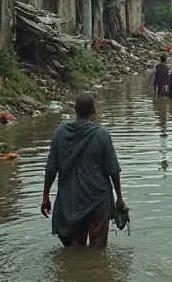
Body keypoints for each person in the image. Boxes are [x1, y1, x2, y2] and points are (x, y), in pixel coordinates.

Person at [41, 93, 125, 248]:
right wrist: (119, 197)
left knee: (75, 247)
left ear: (75, 110)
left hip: (71, 201)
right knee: (98, 249)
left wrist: (45, 197)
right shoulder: (102, 135)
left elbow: (51, 169)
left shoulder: (59, 134)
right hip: (98, 199)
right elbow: (113, 170)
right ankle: (93, 270)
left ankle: (74, 270)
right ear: (93, 111)